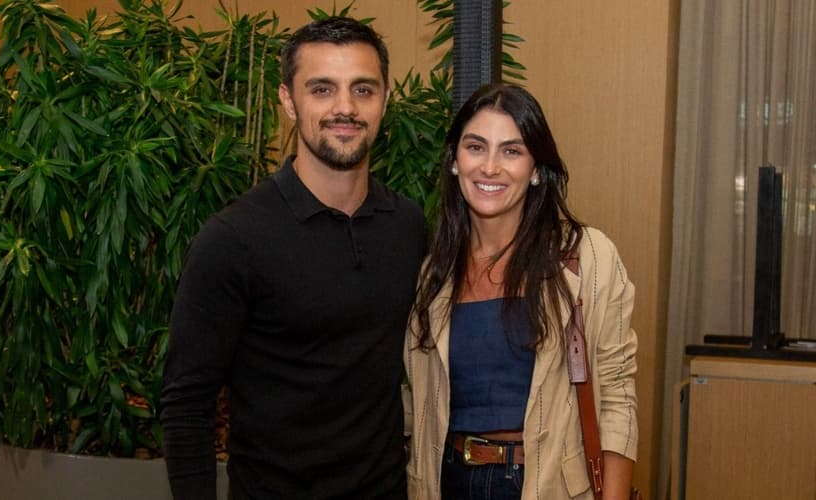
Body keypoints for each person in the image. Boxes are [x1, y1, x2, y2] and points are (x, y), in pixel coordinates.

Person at [160, 16, 426, 500]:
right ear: (287, 101)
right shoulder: (233, 238)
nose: (344, 108)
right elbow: (186, 406)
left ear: (385, 99)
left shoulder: (408, 226)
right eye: (321, 89)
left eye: (362, 90)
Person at [404, 83, 638, 500]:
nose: (490, 167)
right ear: (455, 161)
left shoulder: (586, 257)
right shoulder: (431, 273)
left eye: (511, 151)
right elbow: (413, 404)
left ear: (535, 169)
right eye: (475, 147)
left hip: (545, 485)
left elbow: (618, 398)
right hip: (446, 482)